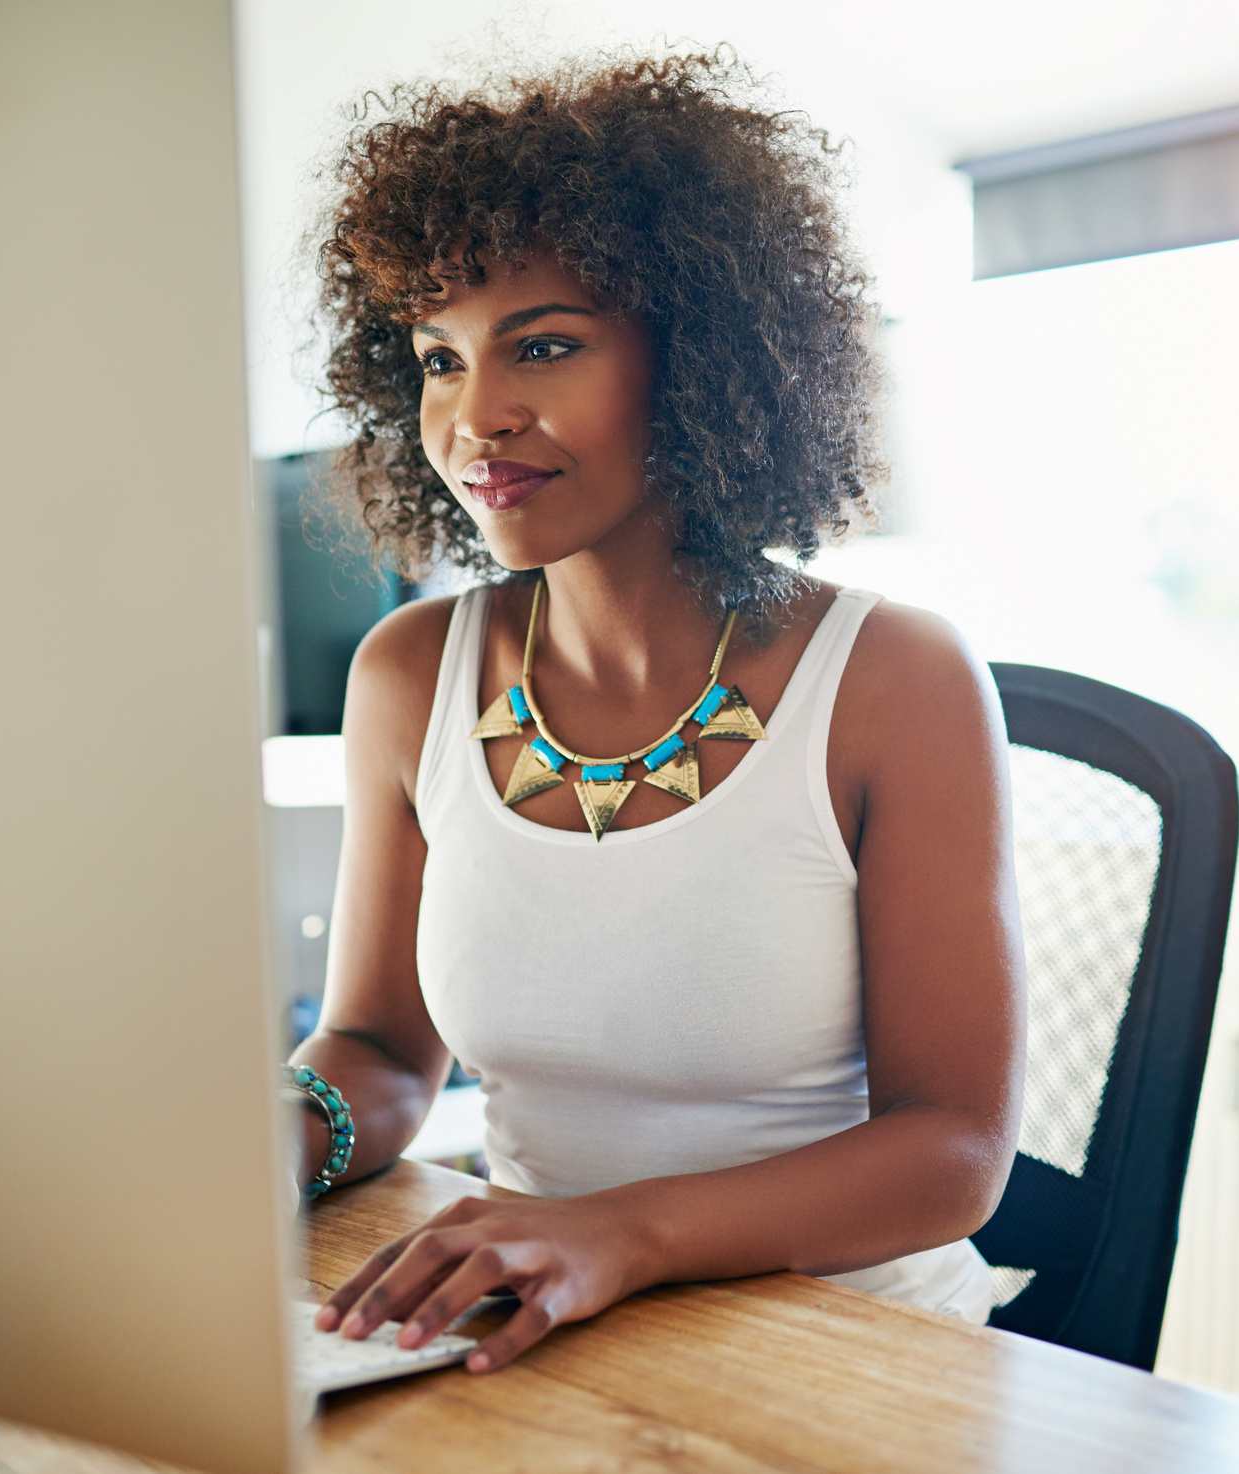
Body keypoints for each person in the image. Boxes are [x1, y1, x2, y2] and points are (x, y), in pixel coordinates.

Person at [285, 51, 1025, 1374]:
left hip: (860, 1359)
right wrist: (287, 1127)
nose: (477, 418)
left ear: (699, 359)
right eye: (438, 360)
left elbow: (952, 1150)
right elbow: (385, 1049)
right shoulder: (409, 677)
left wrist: (616, 1231)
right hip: (540, 1340)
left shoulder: (895, 679)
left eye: (547, 345)